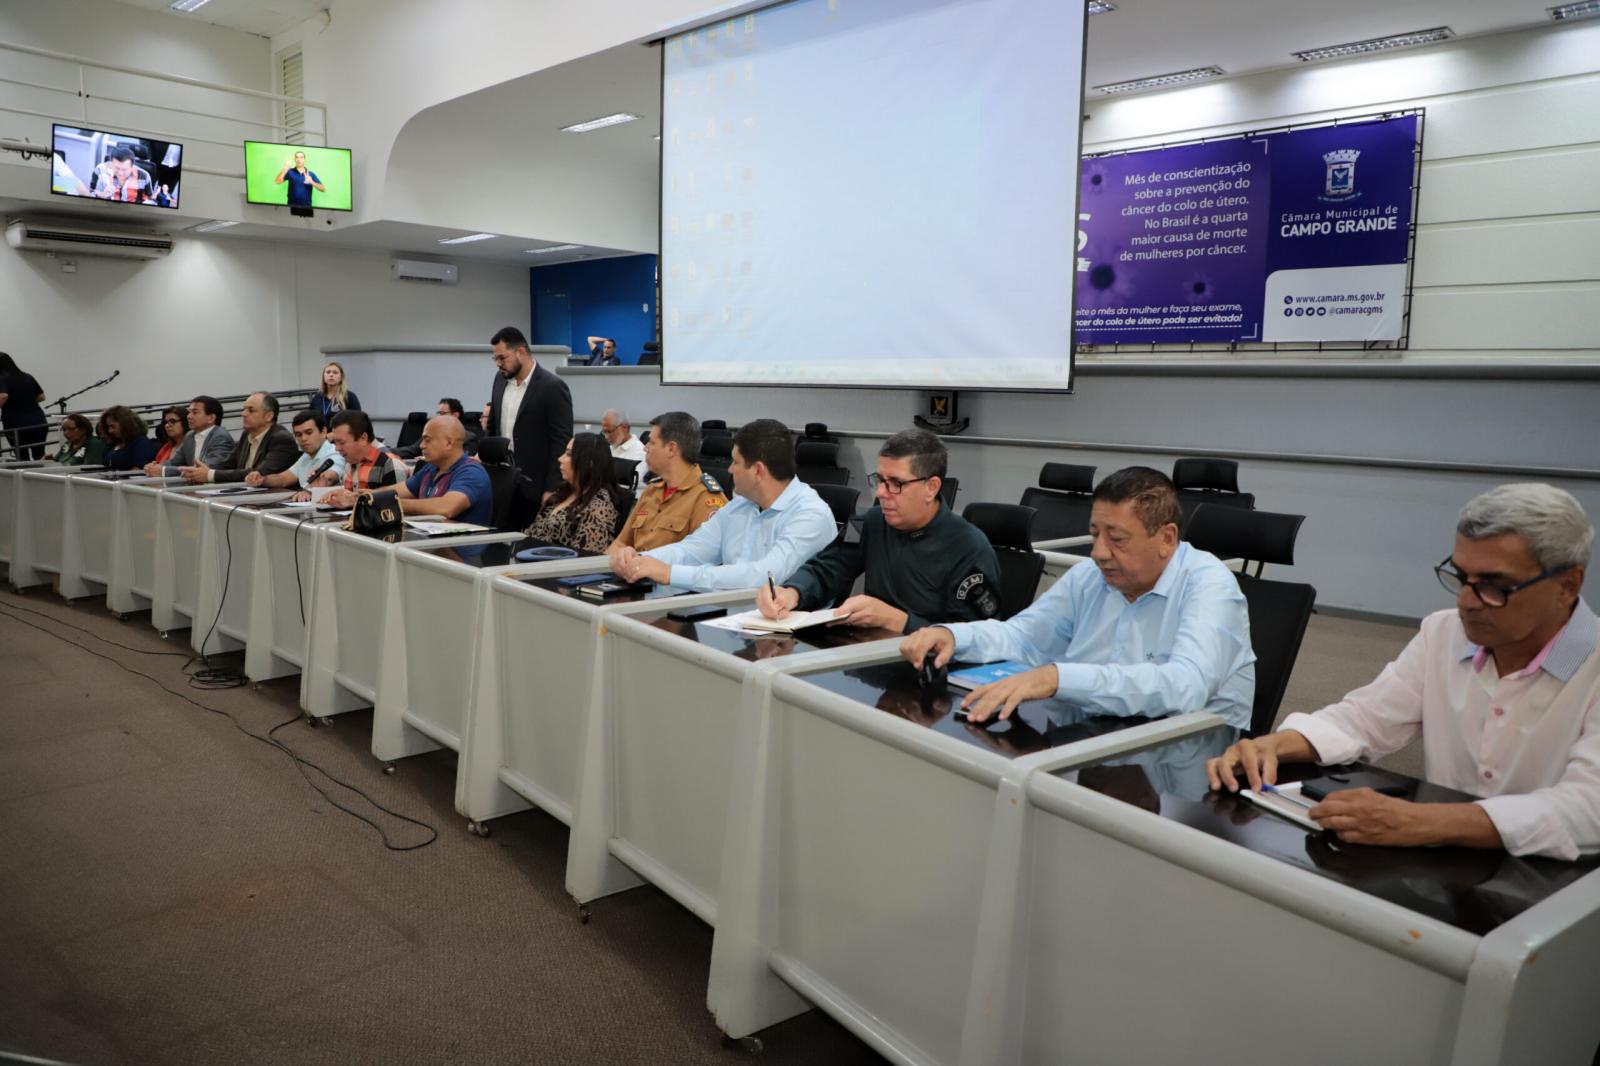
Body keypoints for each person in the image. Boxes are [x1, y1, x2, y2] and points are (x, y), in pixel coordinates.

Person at [1207, 484, 1600, 860]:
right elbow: (1365, 719)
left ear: (1567, 585)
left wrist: (1426, 821)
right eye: (1462, 577)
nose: (1467, 601)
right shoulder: (1444, 632)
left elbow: (1587, 809)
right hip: (1453, 865)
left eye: (1495, 587)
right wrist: (1274, 745)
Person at [900, 466, 1255, 728]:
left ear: (1166, 538)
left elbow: (1185, 686)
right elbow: (1024, 637)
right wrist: (950, 634)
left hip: (1184, 759)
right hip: (1093, 736)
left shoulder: (1210, 586)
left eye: (1116, 539)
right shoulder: (1090, 576)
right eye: (1094, 534)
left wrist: (1057, 678)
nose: (1099, 552)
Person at [759, 429, 1001, 633]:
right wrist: (792, 592)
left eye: (896, 483)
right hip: (867, 659)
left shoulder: (968, 547)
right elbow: (828, 567)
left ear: (931, 487)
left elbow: (978, 636)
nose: (880, 493)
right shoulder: (868, 523)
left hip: (930, 671)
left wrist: (898, 621)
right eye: (879, 480)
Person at [611, 419, 836, 592]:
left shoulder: (810, 515)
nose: (729, 470)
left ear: (758, 470)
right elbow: (692, 550)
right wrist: (641, 560)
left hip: (788, 638)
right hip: (731, 620)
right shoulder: (740, 506)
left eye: (735, 462)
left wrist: (670, 573)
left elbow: (763, 577)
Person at [325, 416, 491, 526]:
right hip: (431, 545)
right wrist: (357, 498)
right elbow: (396, 491)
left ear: (448, 443)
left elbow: (446, 507)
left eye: (427, 440)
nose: (421, 446)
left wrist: (388, 503)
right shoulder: (431, 469)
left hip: (465, 553)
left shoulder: (471, 472)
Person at [607, 411, 727, 554]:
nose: (645, 448)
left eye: (651, 442)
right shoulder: (651, 490)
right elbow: (621, 543)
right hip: (634, 572)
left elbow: (702, 563)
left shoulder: (706, 499)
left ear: (671, 449)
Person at [482, 326, 573, 505]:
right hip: (500, 481)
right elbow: (492, 429)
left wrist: (552, 488)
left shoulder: (552, 387)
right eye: (495, 358)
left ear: (521, 352)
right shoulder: (500, 380)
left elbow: (560, 441)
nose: (498, 363)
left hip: (535, 486)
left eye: (502, 358)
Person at [524, 433, 625, 554]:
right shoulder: (565, 491)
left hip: (555, 568)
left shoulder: (599, 507)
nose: (560, 459)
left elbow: (584, 558)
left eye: (569, 454)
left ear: (589, 463)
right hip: (531, 558)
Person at [182, 392, 297, 484]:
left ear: (269, 416)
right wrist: (200, 471)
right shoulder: (247, 434)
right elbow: (228, 464)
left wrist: (209, 475)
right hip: (246, 495)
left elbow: (259, 473)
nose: (243, 413)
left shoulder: (281, 439)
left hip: (273, 500)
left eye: (250, 410)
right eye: (244, 409)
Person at [295, 410, 404, 502]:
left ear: (363, 438)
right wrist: (318, 490)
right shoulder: (349, 463)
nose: (337, 448)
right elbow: (347, 501)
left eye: (341, 442)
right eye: (335, 442)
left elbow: (397, 506)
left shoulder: (390, 464)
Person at [246, 409, 343, 491]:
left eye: (309, 432)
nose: (303, 439)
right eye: (298, 435)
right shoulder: (306, 456)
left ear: (323, 432)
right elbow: (283, 479)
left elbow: (330, 476)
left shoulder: (335, 454)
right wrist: (262, 479)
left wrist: (309, 491)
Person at [144, 395, 233, 477]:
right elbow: (174, 462)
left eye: (195, 412)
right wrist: (154, 467)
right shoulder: (190, 435)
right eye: (189, 412)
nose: (189, 416)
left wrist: (163, 470)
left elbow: (207, 470)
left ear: (211, 418)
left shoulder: (221, 437)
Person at [0, 352, 48, 461]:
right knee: (39, 455)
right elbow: (41, 397)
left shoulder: (1, 378)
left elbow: (3, 396)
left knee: (22, 457)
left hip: (16, 423)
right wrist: (24, 400)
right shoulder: (27, 376)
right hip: (38, 421)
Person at [396, 398, 479, 460]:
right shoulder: (432, 433)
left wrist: (428, 458)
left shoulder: (469, 438)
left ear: (455, 415)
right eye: (438, 413)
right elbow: (412, 450)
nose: (439, 417)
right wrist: (386, 451)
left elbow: (461, 460)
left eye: (442, 413)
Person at [100, 406, 160, 471]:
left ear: (125, 424)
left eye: (112, 426)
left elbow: (137, 472)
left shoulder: (141, 443)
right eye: (108, 427)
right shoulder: (112, 444)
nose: (110, 431)